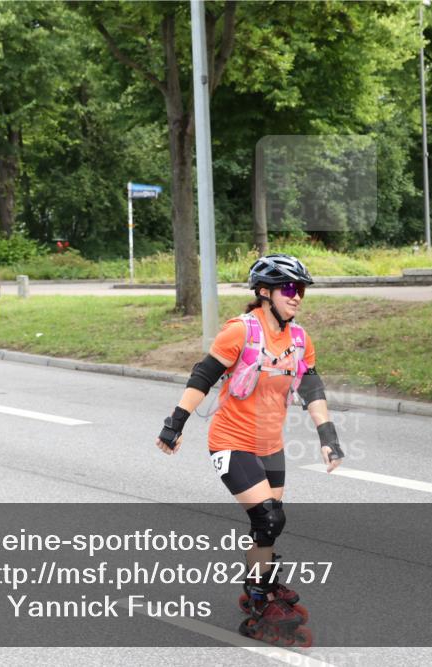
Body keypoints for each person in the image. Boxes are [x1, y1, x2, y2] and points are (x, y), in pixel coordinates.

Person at [154, 253, 343, 646]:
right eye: (289, 288)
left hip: (270, 444)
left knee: (269, 526)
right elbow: (202, 377)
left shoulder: (299, 339)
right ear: (264, 292)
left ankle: (261, 586)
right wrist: (175, 424)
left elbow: (312, 390)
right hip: (231, 440)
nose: (297, 296)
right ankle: (261, 598)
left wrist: (328, 438)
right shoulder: (241, 331)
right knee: (268, 518)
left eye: (300, 289)